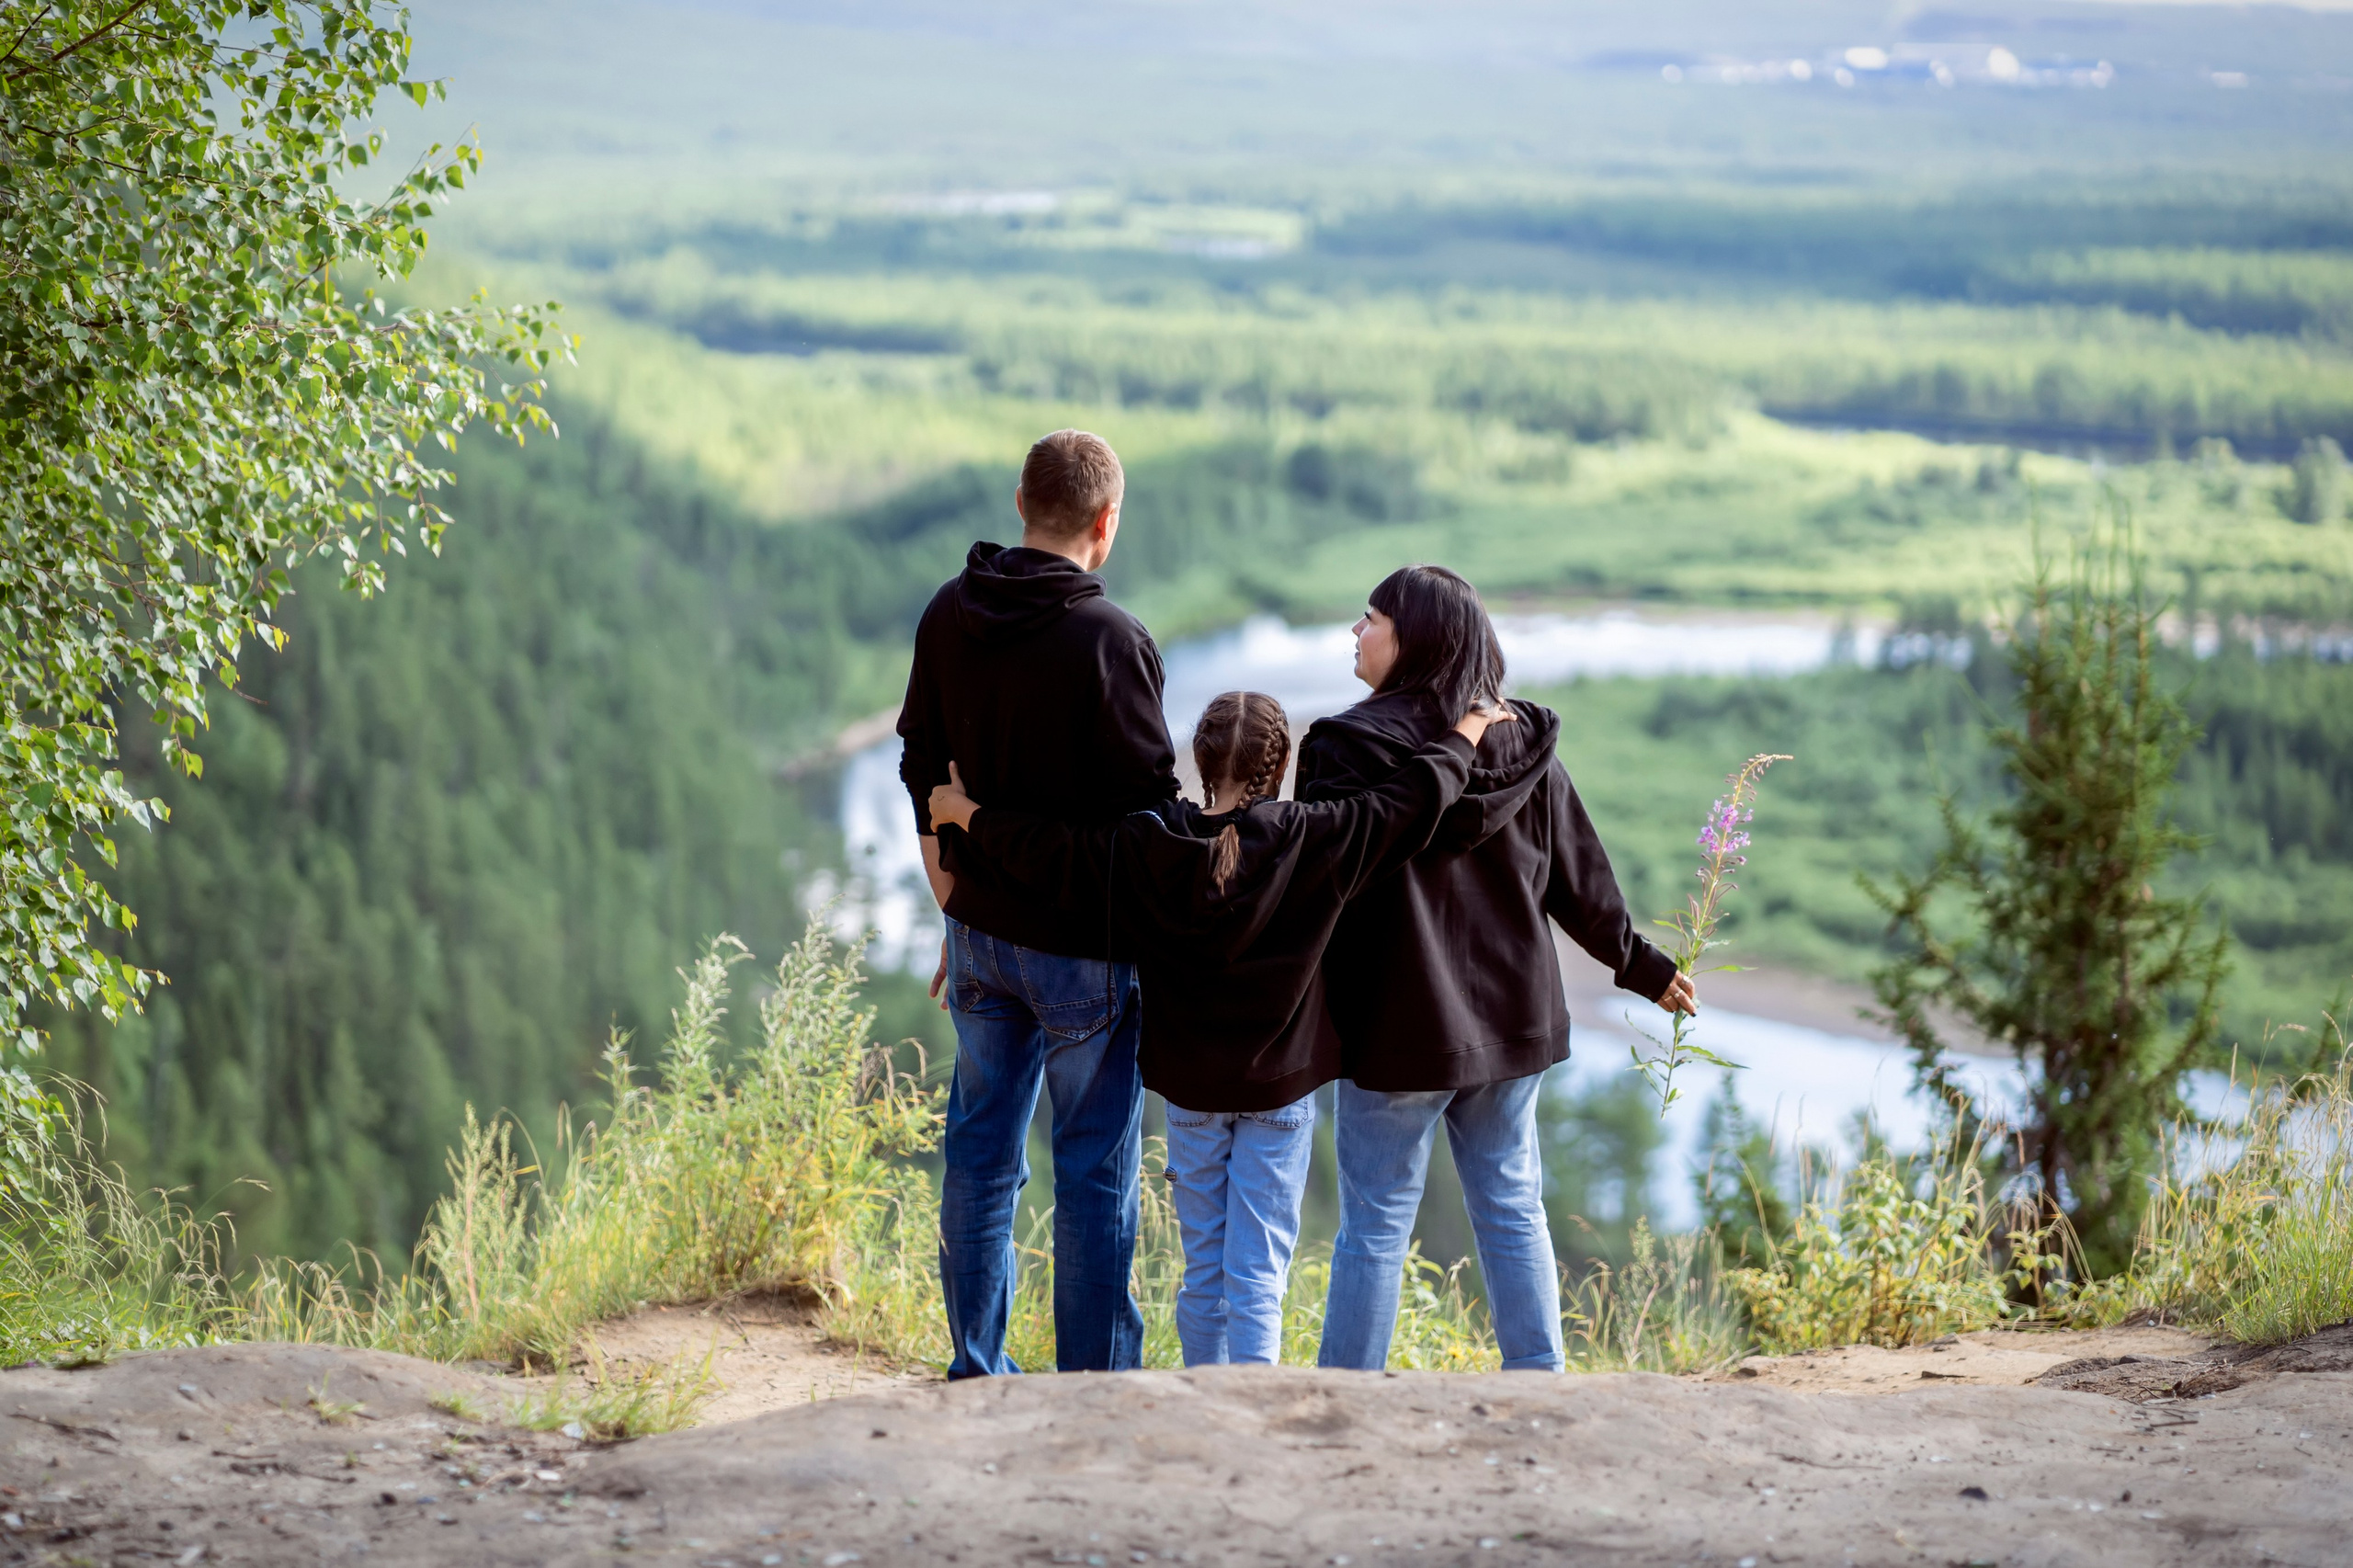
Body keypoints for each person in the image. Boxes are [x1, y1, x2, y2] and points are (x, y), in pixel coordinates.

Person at [926, 689, 1511, 1367]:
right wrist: (1468, 727)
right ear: (1282, 760)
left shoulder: (1151, 840)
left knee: (1203, 1274)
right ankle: (1249, 1426)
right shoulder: (1310, 835)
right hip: (1278, 1094)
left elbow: (1058, 854)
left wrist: (965, 815)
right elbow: (1409, 800)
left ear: (1198, 759)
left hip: (1192, 1093)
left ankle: (1204, 1416)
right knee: (1257, 1275)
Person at [1296, 564, 1699, 1374]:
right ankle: (1539, 1381)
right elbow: (1580, 879)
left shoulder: (1343, 748)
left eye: (1369, 617)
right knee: (1513, 1205)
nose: (1355, 631)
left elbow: (1315, 888)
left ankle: (1350, 1392)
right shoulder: (1526, 746)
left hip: (1396, 1028)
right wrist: (1642, 966)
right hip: (1513, 1020)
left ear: (1413, 638)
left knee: (1376, 1221)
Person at [896, 429, 1180, 1379]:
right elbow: (1144, 827)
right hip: (1084, 952)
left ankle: (976, 1364)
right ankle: (1091, 1387)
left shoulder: (947, 613)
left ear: (1020, 501)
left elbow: (916, 763)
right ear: (1106, 524)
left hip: (978, 934)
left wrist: (951, 891)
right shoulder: (1112, 641)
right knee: (1093, 1168)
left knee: (980, 1156)